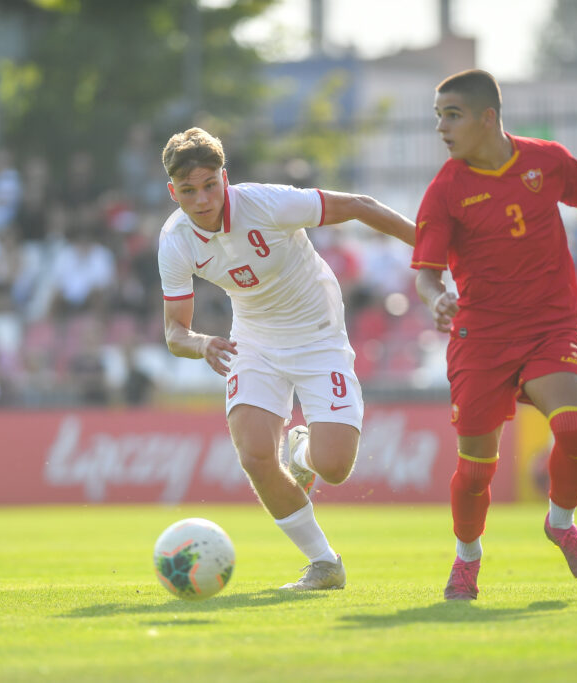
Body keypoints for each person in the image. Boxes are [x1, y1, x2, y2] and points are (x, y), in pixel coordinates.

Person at [411, 70, 577, 600]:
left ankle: (561, 522)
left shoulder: (548, 159)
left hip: (549, 326)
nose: (442, 127)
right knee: (475, 472)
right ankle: (467, 558)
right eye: (437, 116)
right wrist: (436, 297)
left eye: (453, 115)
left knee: (576, 431)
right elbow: (425, 276)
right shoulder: (445, 190)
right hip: (482, 337)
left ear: (487, 117)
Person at [158, 127, 415, 591]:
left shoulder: (266, 203)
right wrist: (202, 344)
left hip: (318, 334)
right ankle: (324, 564)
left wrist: (431, 249)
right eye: (189, 191)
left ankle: (300, 448)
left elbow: (358, 205)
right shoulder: (175, 240)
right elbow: (174, 331)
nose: (202, 200)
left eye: (210, 185)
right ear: (172, 191)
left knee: (334, 469)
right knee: (255, 455)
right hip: (253, 339)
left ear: (225, 178)